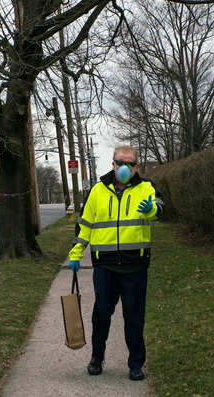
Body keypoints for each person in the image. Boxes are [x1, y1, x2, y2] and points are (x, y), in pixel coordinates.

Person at [67, 145, 163, 381]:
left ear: (136, 167)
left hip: (135, 267)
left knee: (134, 318)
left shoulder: (147, 188)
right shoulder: (97, 191)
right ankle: (96, 359)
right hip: (105, 267)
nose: (124, 167)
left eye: (130, 164)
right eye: (120, 162)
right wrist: (76, 253)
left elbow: (160, 209)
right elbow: (85, 225)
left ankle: (136, 364)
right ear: (113, 164)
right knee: (101, 314)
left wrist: (151, 209)